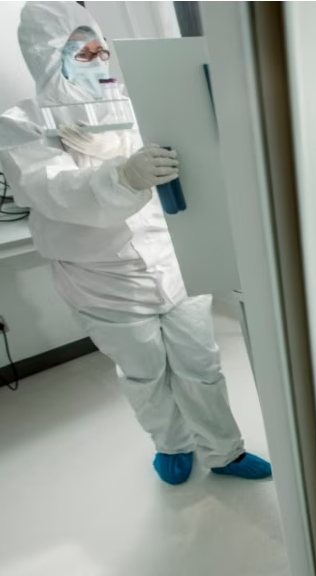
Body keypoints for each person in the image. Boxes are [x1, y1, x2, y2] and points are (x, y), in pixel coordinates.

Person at [0, 1, 271, 485]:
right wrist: (121, 177)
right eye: (82, 52)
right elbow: (53, 192)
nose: (99, 59)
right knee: (145, 374)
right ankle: (172, 444)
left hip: (174, 263)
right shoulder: (22, 125)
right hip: (103, 281)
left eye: (100, 48)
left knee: (201, 364)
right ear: (47, 55)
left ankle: (224, 451)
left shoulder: (134, 100)